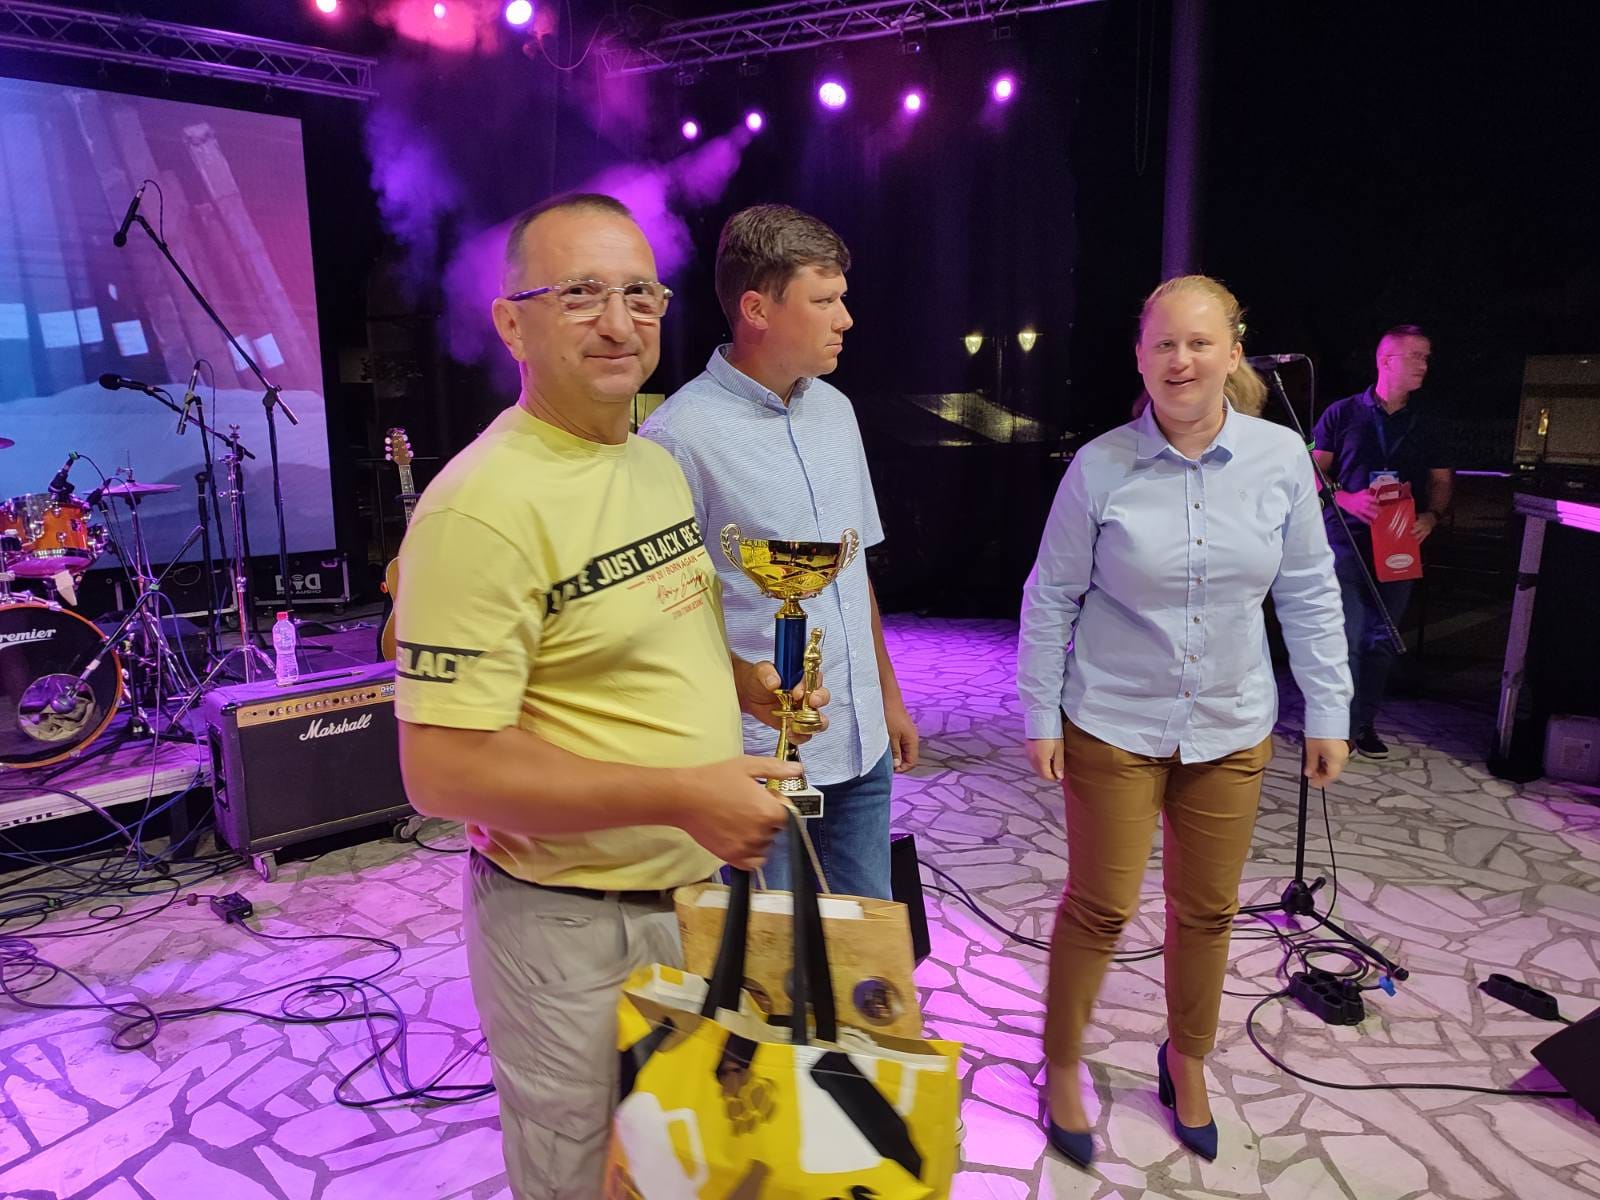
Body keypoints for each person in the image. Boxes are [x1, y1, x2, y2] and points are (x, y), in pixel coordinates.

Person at [393, 193, 826, 1200]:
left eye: (640, 294)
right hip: (575, 929)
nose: (619, 322)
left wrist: (747, 688)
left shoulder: (650, 462)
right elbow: (439, 770)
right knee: (586, 1178)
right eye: (581, 294)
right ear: (513, 324)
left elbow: (655, 629)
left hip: (695, 901)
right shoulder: (478, 508)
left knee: (690, 1167)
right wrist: (679, 794)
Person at [1017, 275, 1352, 1167]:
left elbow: (1310, 590)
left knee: (1206, 912)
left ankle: (1187, 1059)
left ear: (1233, 353)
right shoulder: (1100, 467)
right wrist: (1040, 712)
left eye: (1200, 342)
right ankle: (1061, 1062)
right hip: (1112, 720)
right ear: (1140, 356)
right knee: (1100, 906)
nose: (1181, 360)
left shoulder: (1281, 460)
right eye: (1163, 343)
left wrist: (1330, 707)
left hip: (1231, 725)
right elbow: (1050, 597)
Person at [640, 203, 917, 900]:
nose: (845, 318)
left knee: (864, 941)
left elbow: (852, 571)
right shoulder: (678, 437)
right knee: (771, 950)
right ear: (757, 309)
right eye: (824, 301)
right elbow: (666, 613)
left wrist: (887, 697)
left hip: (860, 739)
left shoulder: (837, 411)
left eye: (842, 298)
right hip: (755, 758)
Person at [1312, 324, 1453, 759]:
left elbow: (1441, 480)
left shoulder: (1429, 421)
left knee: (1381, 639)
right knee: (1349, 637)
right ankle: (1335, 727)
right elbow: (1312, 471)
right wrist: (1346, 498)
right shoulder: (1343, 413)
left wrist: (1431, 516)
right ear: (1386, 360)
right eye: (1416, 356)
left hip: (1399, 542)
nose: (1425, 365)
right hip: (1347, 540)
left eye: (1427, 357)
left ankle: (1362, 723)